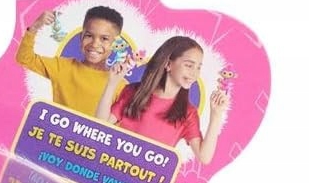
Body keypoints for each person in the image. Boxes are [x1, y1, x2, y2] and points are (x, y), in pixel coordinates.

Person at [96, 35, 229, 164]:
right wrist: (112, 83)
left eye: (198, 67)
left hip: (148, 176)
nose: (195, 73)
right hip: (113, 169)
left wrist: (216, 115)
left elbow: (204, 157)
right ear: (168, 64)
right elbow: (99, 126)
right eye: (189, 65)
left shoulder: (188, 113)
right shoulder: (133, 93)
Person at [16, 4, 124, 116]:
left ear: (116, 43)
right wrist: (34, 27)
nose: (95, 44)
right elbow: (24, 58)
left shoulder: (119, 85)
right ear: (81, 36)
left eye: (104, 39)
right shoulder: (62, 67)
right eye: (89, 36)